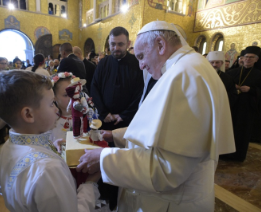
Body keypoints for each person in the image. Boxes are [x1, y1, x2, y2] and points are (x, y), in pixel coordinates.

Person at [77, 21, 235, 212]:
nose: (141, 65)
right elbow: (164, 132)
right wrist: (116, 136)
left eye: (142, 56)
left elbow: (166, 169)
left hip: (172, 202)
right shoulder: (187, 67)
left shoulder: (184, 75)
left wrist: (103, 158)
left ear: (160, 45)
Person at [0, 70, 100, 211]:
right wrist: (90, 184)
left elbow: (6, 188)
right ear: (28, 114)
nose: (56, 110)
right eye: (52, 103)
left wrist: (51, 147)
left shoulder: (6, 147)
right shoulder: (48, 169)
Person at [90, 26, 143, 132]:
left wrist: (124, 115)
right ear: (109, 43)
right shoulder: (103, 63)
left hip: (126, 123)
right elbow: (94, 87)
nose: (116, 48)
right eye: (113, 44)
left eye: (120, 44)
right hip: (104, 120)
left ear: (128, 44)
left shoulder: (137, 64)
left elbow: (140, 93)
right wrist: (104, 112)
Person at [224, 46, 261, 160]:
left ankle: (237, 156)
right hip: (231, 106)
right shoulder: (232, 72)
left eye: (251, 57)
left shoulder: (259, 75)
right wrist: (233, 87)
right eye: (246, 57)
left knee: (242, 132)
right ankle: (224, 153)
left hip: (247, 108)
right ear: (242, 58)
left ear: (256, 59)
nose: (248, 59)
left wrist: (251, 90)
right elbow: (223, 87)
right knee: (228, 130)